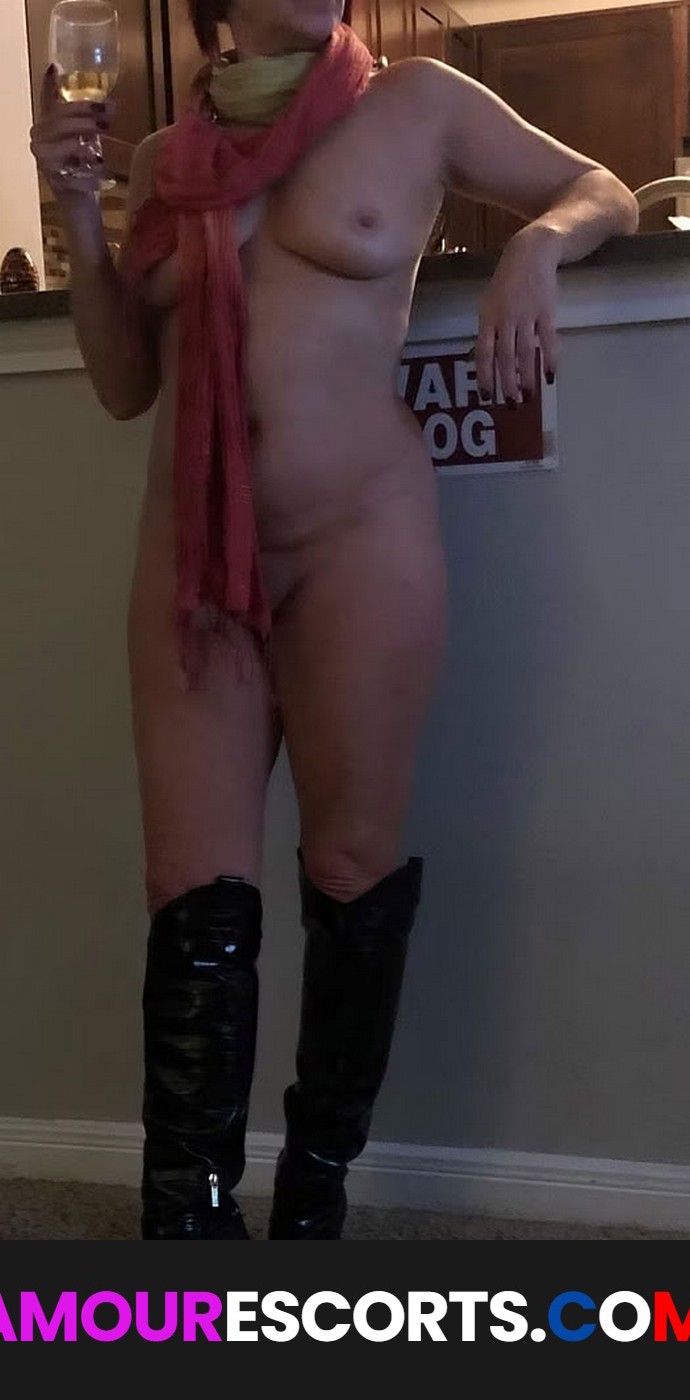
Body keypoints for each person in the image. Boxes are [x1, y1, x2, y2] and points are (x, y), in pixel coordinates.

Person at [29, 0, 639, 1242]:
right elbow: (124, 384)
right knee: (189, 896)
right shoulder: (168, 157)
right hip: (193, 560)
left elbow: (605, 189)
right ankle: (187, 1236)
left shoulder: (415, 105)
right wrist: (81, 215)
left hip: (361, 546)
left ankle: (313, 1204)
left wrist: (536, 248)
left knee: (352, 873)